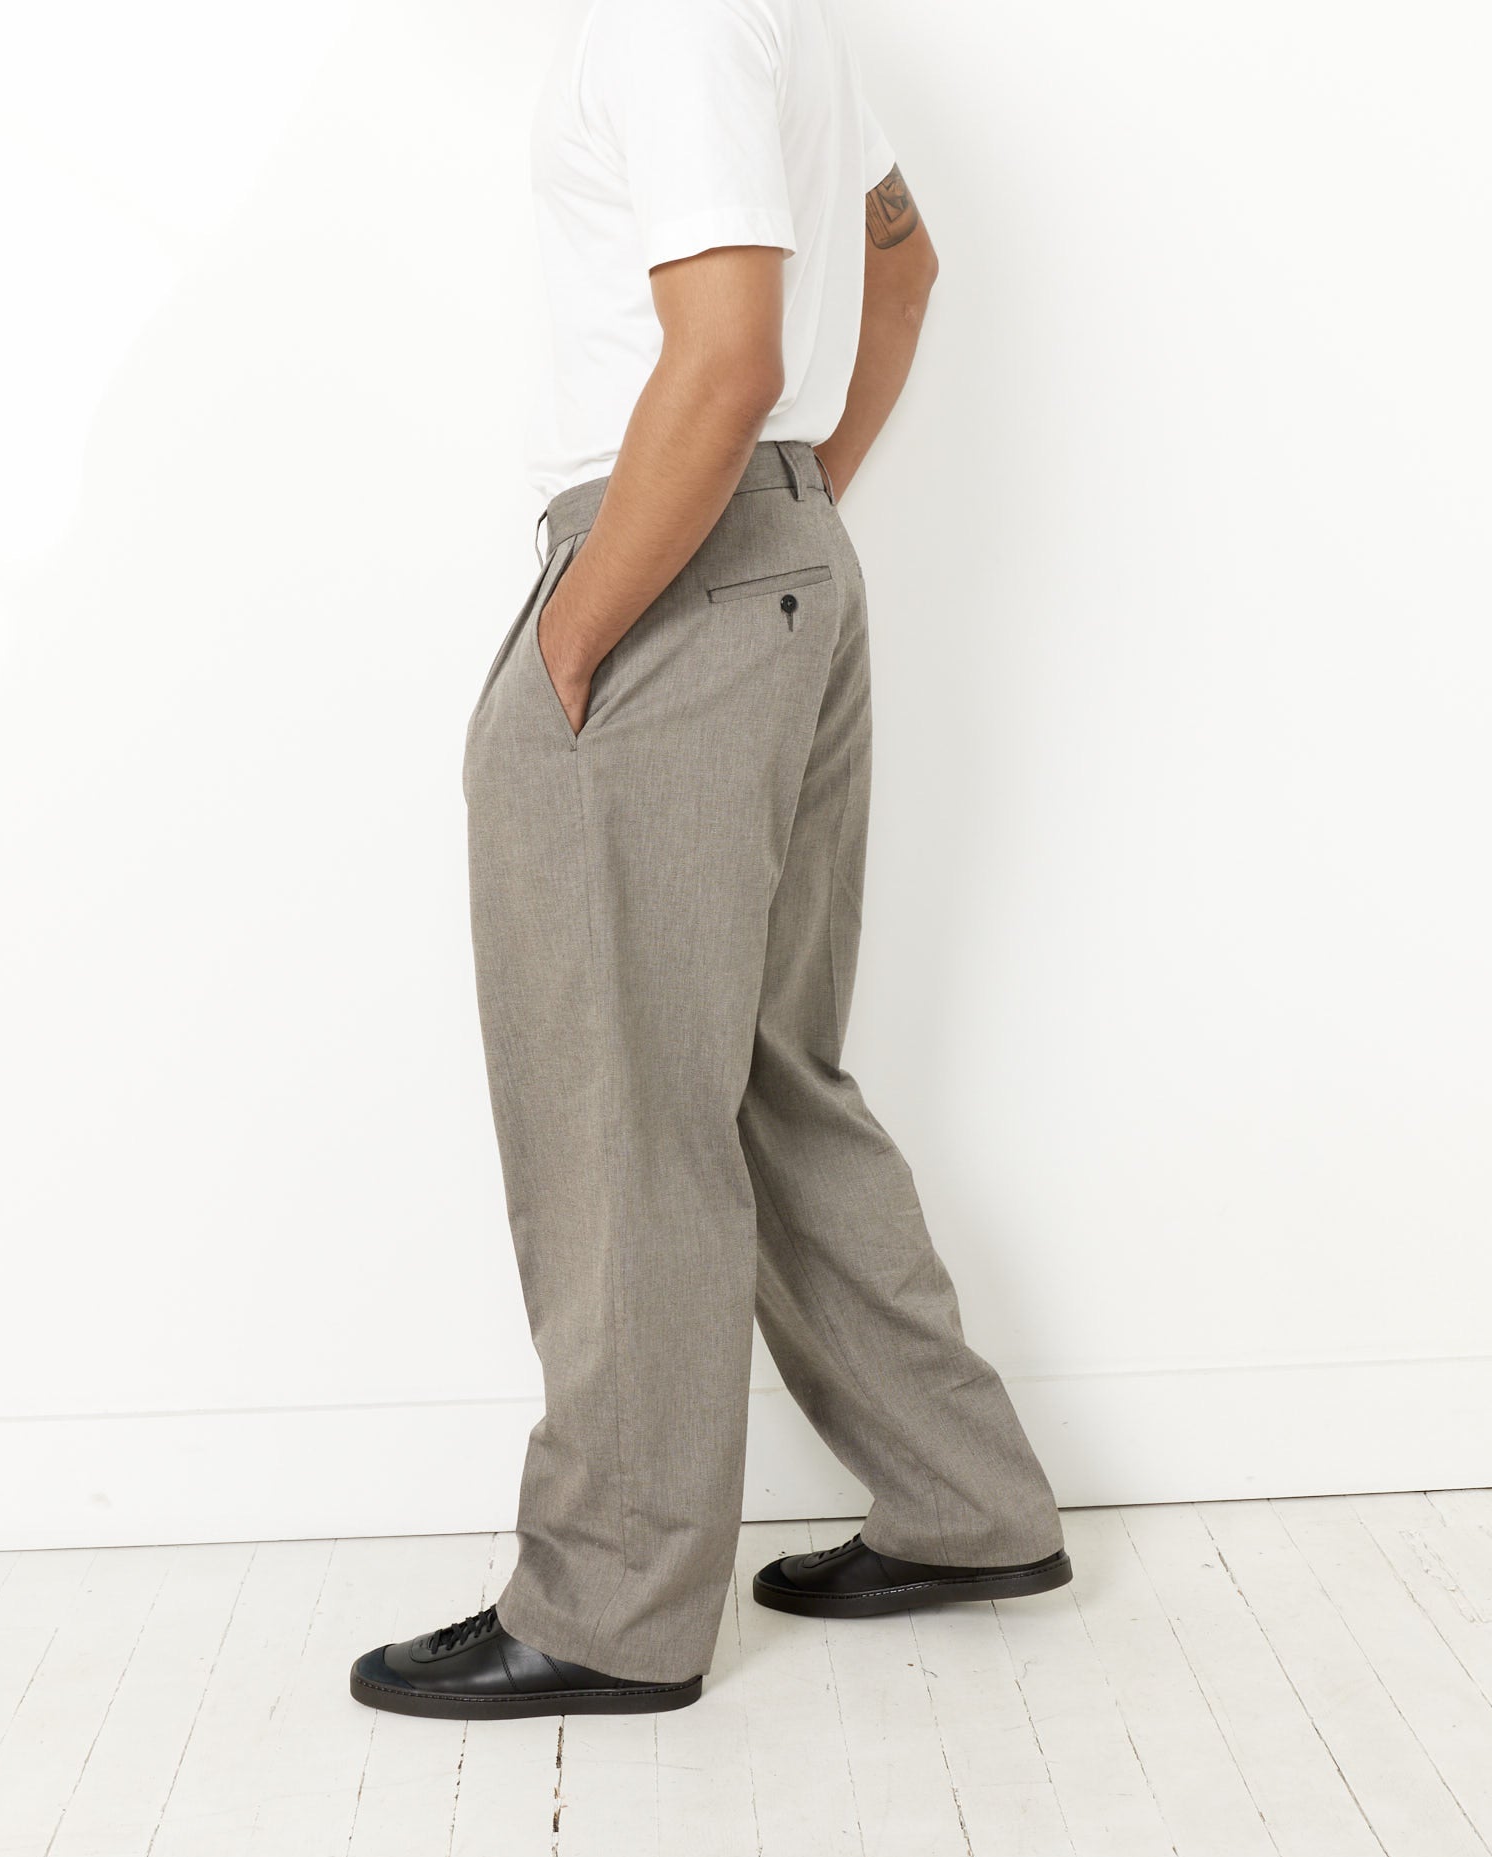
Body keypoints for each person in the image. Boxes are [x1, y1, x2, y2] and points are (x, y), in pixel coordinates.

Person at [350, 0, 1068, 1723]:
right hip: (775, 564)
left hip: (664, 572)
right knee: (765, 1079)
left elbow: (729, 352)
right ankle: (964, 1501)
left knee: (619, 1104)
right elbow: (902, 263)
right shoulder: (772, 18)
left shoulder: (661, 21)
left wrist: (573, 636)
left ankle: (612, 1605)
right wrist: (790, 518)